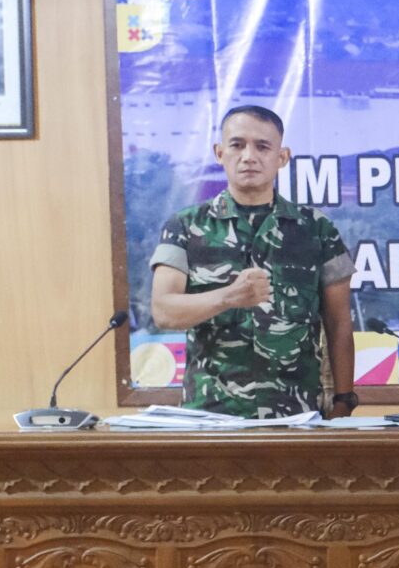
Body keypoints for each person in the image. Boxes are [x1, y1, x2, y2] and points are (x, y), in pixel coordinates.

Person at [150, 104, 355, 417]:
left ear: (282, 157)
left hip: (296, 413)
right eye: (237, 145)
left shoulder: (316, 229)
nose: (249, 156)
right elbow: (164, 311)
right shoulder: (186, 226)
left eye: (262, 147)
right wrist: (228, 297)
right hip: (211, 414)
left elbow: (339, 322)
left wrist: (343, 400)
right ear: (219, 153)